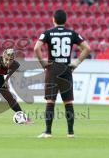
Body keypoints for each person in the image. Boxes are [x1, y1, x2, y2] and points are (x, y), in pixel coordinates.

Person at [34, 10, 90, 138]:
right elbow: (87, 48)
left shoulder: (47, 33)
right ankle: (70, 132)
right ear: (65, 20)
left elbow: (36, 48)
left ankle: (48, 131)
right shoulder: (72, 33)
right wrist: (76, 63)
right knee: (68, 102)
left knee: (50, 101)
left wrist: (42, 62)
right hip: (66, 69)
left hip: (52, 69)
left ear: (53, 19)